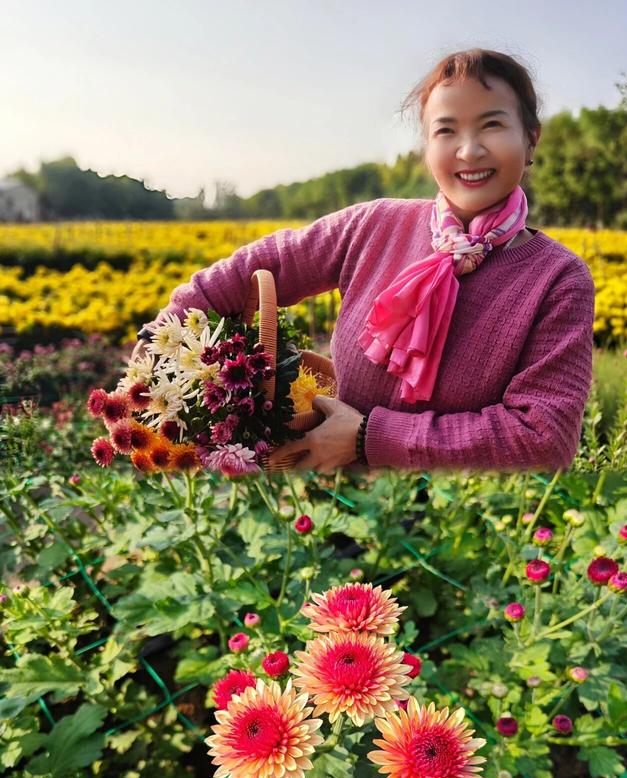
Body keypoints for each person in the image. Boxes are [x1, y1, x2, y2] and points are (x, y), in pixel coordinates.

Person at [137, 48, 595, 475]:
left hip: (459, 520)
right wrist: (164, 333)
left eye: (492, 125)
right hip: (323, 500)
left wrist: (367, 438)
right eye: (446, 130)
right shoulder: (377, 225)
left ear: (530, 139)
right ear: (427, 146)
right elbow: (267, 263)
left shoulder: (557, 278)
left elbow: (545, 438)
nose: (469, 150)